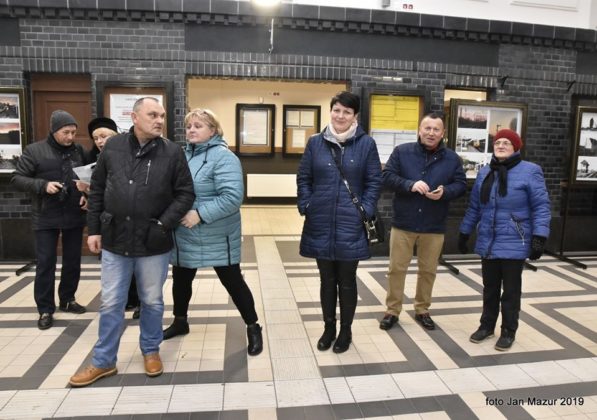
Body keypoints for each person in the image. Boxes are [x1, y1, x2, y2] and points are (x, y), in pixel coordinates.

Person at [69, 97, 195, 387]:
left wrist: (163, 224)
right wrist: (94, 230)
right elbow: (97, 189)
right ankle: (103, 361)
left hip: (153, 243)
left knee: (152, 300)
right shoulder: (113, 147)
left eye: (162, 115)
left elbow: (185, 193)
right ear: (135, 117)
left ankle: (150, 350)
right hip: (115, 239)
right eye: (153, 115)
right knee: (112, 301)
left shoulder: (172, 152)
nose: (160, 120)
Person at [162, 108, 263, 356]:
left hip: (216, 233)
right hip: (184, 232)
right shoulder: (182, 155)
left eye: (198, 126)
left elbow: (232, 197)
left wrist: (200, 214)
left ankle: (253, 326)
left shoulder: (224, 157)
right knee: (181, 280)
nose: (191, 130)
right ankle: (180, 321)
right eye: (189, 126)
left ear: (213, 130)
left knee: (233, 281)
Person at [297, 91, 382, 353]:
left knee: (346, 280)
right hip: (320, 221)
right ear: (331, 111)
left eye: (347, 111)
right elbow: (304, 177)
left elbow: (374, 181)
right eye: (337, 110)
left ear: (355, 116)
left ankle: (346, 330)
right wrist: (306, 205)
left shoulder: (366, 144)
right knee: (326, 280)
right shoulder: (315, 143)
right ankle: (328, 328)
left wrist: (365, 210)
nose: (341, 116)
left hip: (351, 223)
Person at [458, 129, 550, 351]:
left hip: (515, 240)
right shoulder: (485, 172)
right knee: (489, 288)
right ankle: (486, 326)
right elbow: (475, 207)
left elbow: (541, 206)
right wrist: (464, 232)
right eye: (498, 142)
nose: (500, 146)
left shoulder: (530, 171)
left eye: (506, 143)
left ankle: (509, 330)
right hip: (489, 240)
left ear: (516, 147)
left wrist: (539, 237)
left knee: (510, 291)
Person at [380, 113, 466, 332]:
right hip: (404, 222)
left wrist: (445, 191)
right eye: (427, 128)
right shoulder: (402, 152)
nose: (431, 133)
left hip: (434, 224)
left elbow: (460, 184)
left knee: (428, 270)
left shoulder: (452, 158)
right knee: (396, 269)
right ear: (419, 130)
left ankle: (422, 309)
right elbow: (387, 176)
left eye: (436, 129)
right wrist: (409, 184)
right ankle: (392, 311)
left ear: (443, 133)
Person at [12, 110, 88, 330]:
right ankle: (45, 309)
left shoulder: (79, 151)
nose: (70, 137)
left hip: (73, 213)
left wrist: (85, 194)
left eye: (73, 132)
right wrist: (43, 185)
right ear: (54, 130)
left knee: (73, 260)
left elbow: (86, 177)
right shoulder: (34, 150)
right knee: (46, 263)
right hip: (45, 214)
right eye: (66, 132)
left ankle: (68, 299)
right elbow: (17, 178)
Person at [78, 117, 141, 319]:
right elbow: (97, 193)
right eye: (96, 138)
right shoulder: (93, 158)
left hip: (131, 216)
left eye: (103, 136)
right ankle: (126, 299)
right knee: (117, 263)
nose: (99, 141)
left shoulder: (129, 153)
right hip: (108, 220)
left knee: (137, 263)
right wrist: (86, 193)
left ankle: (140, 301)